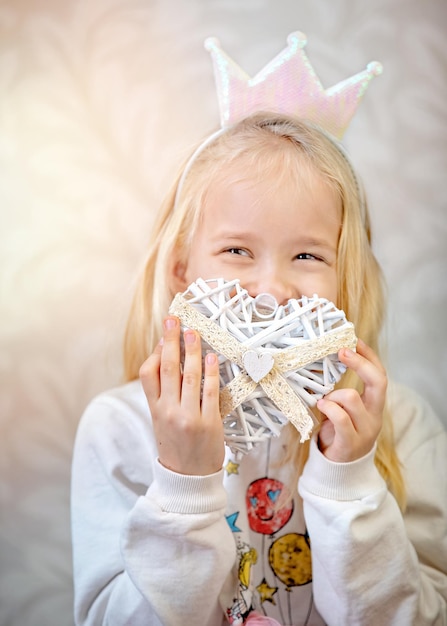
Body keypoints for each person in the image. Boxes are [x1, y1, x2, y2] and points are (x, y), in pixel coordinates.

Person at [71, 36, 447, 626]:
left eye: (308, 256)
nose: (272, 290)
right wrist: (184, 479)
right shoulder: (119, 429)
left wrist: (350, 480)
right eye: (237, 249)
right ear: (180, 272)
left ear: (348, 281)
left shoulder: (403, 425)